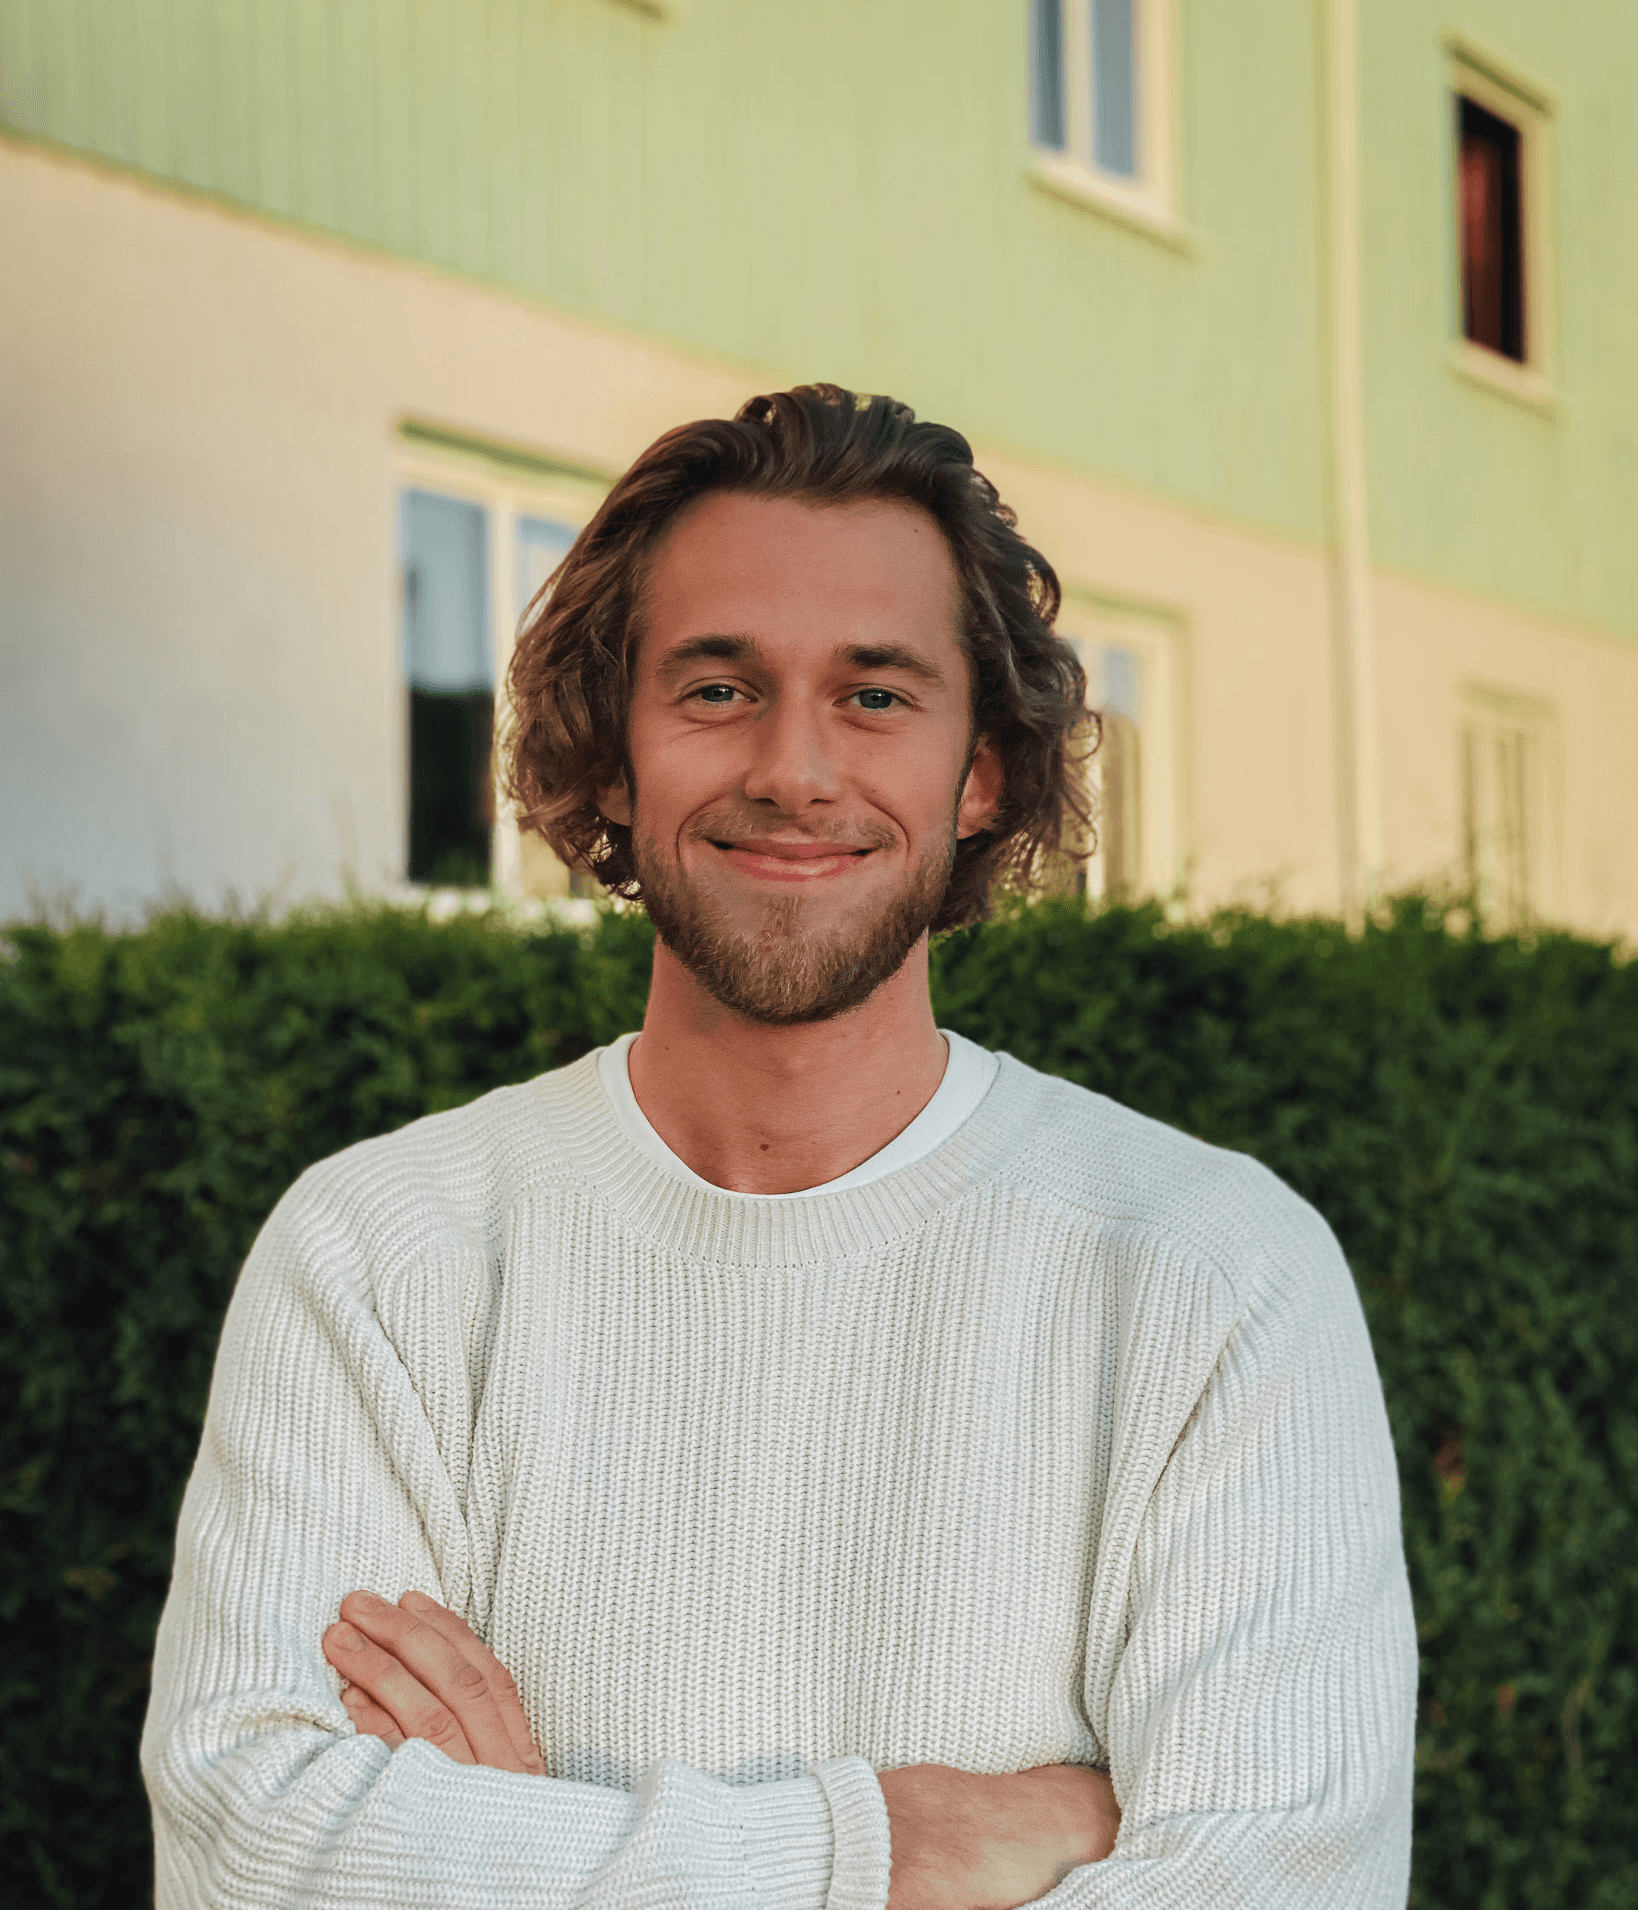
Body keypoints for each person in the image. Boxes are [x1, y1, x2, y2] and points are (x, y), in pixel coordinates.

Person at [142, 385, 1418, 1910]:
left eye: (874, 695)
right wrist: (878, 1848)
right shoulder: (377, 1252)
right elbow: (252, 1857)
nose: (794, 770)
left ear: (983, 769)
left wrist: (515, 1852)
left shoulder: (1212, 1274)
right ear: (612, 755)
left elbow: (1285, 1888)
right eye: (716, 688)